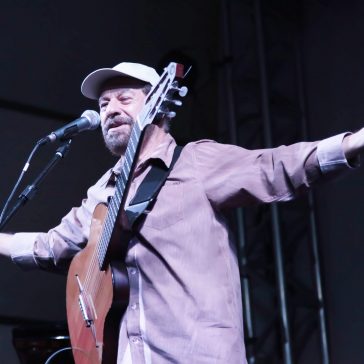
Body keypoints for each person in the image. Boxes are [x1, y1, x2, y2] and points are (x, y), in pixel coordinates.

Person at [0, 61, 363, 364]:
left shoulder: (194, 162)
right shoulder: (103, 192)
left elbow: (274, 167)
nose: (110, 109)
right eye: (103, 104)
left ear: (156, 104)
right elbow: (51, 246)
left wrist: (353, 143)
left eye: (124, 98)